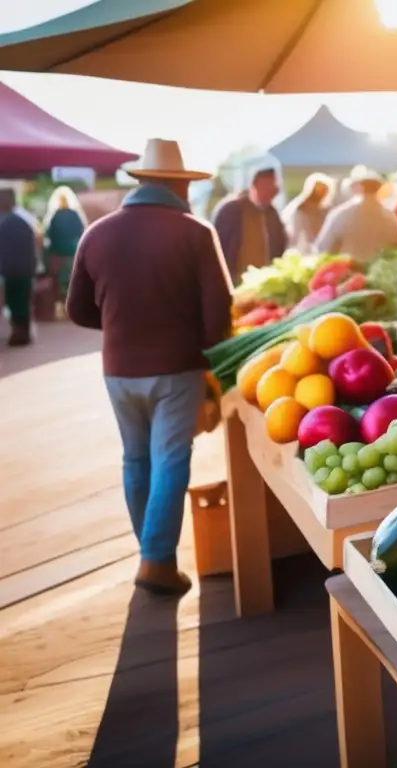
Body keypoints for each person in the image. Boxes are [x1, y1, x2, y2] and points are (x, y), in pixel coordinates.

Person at [65, 139, 233, 596]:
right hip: (177, 367)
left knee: (135, 459)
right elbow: (220, 315)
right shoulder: (195, 232)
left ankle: (151, 554)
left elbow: (76, 309)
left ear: (142, 183)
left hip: (118, 369)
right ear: (179, 184)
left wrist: (122, 325)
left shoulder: (95, 233)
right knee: (171, 460)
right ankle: (156, 561)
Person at [211, 166, 286, 284]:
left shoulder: (272, 214)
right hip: (236, 280)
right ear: (256, 186)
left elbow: (279, 246)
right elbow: (219, 247)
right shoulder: (231, 211)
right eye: (266, 186)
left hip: (264, 280)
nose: (271, 192)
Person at [315, 167, 397, 264]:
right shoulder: (389, 217)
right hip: (378, 273)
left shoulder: (341, 214)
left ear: (356, 187)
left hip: (347, 272)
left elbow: (324, 248)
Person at [0, 187, 39, 346]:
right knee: (21, 301)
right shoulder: (23, 221)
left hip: (10, 269)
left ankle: (20, 333)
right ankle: (23, 332)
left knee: (14, 302)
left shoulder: (6, 222)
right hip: (23, 268)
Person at [44, 186, 88, 302]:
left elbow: (49, 234)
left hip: (57, 252)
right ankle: (72, 303)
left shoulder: (54, 216)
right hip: (72, 251)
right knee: (72, 279)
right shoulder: (74, 215)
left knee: (58, 280)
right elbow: (81, 232)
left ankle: (61, 304)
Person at [281, 173, 334, 253]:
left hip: (316, 248)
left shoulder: (323, 210)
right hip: (305, 249)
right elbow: (301, 234)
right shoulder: (302, 209)